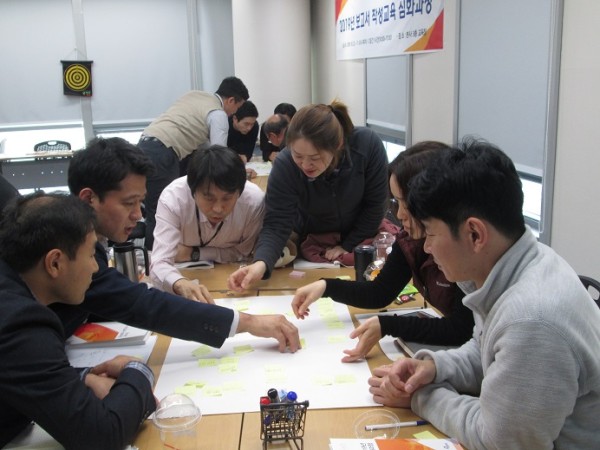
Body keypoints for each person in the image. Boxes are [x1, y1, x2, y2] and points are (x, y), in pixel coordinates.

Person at [368, 139, 600, 449]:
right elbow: (487, 349)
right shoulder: (524, 262)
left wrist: (420, 396)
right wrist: (434, 368)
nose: (427, 247)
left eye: (431, 233)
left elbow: (500, 441)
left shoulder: (531, 320)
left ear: (475, 234)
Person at [50, 137, 299, 357]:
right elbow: (139, 304)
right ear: (89, 198)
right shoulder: (70, 252)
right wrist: (248, 323)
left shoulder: (80, 239)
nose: (138, 215)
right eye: (129, 203)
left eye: (140, 202)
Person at [291, 142, 474, 362]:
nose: (399, 214)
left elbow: (461, 329)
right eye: (396, 202)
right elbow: (380, 292)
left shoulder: (462, 250)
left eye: (406, 203)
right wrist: (326, 286)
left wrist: (388, 325)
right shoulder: (411, 240)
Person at [0, 192, 156, 448]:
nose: (95, 268)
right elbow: (102, 436)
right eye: (90, 256)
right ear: (55, 263)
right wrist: (138, 372)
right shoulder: (21, 322)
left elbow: (20, 368)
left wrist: (82, 377)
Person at [228, 100, 389, 291]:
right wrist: (260, 263)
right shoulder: (286, 164)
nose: (305, 165)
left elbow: (376, 205)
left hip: (361, 233)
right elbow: (277, 223)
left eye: (315, 158)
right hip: (311, 238)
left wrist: (348, 245)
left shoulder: (366, 145)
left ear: (337, 145)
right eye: (298, 156)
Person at [138, 76, 250, 249]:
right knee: (160, 212)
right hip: (164, 153)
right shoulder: (218, 114)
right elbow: (218, 157)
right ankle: (155, 258)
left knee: (153, 209)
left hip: (145, 145)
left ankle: (153, 255)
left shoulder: (194, 96)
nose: (234, 112)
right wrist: (238, 173)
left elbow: (203, 145)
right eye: (237, 107)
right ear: (231, 100)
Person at [151, 145, 265, 301]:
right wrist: (179, 283)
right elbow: (159, 263)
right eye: (209, 198)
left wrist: (192, 253)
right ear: (192, 191)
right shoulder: (173, 199)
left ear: (239, 192)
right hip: (186, 277)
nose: (218, 208)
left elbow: (243, 253)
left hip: (232, 281)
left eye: (227, 198)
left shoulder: (253, 202)